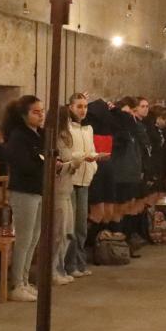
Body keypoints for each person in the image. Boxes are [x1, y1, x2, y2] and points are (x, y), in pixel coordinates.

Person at [0, 94, 49, 302]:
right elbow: (23, 164)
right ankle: (16, 283)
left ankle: (26, 280)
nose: (40, 115)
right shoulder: (19, 136)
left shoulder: (39, 134)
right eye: (35, 112)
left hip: (38, 189)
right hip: (24, 191)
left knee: (34, 238)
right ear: (23, 115)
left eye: (42, 111)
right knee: (24, 238)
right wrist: (45, 164)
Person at [59, 95, 99, 279]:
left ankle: (80, 262)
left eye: (85, 106)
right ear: (70, 107)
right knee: (71, 225)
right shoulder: (66, 128)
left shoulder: (88, 129)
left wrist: (94, 161)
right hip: (71, 179)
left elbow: (90, 149)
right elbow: (67, 153)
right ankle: (69, 264)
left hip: (85, 180)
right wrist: (83, 156)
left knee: (81, 225)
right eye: (79, 106)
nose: (82, 110)